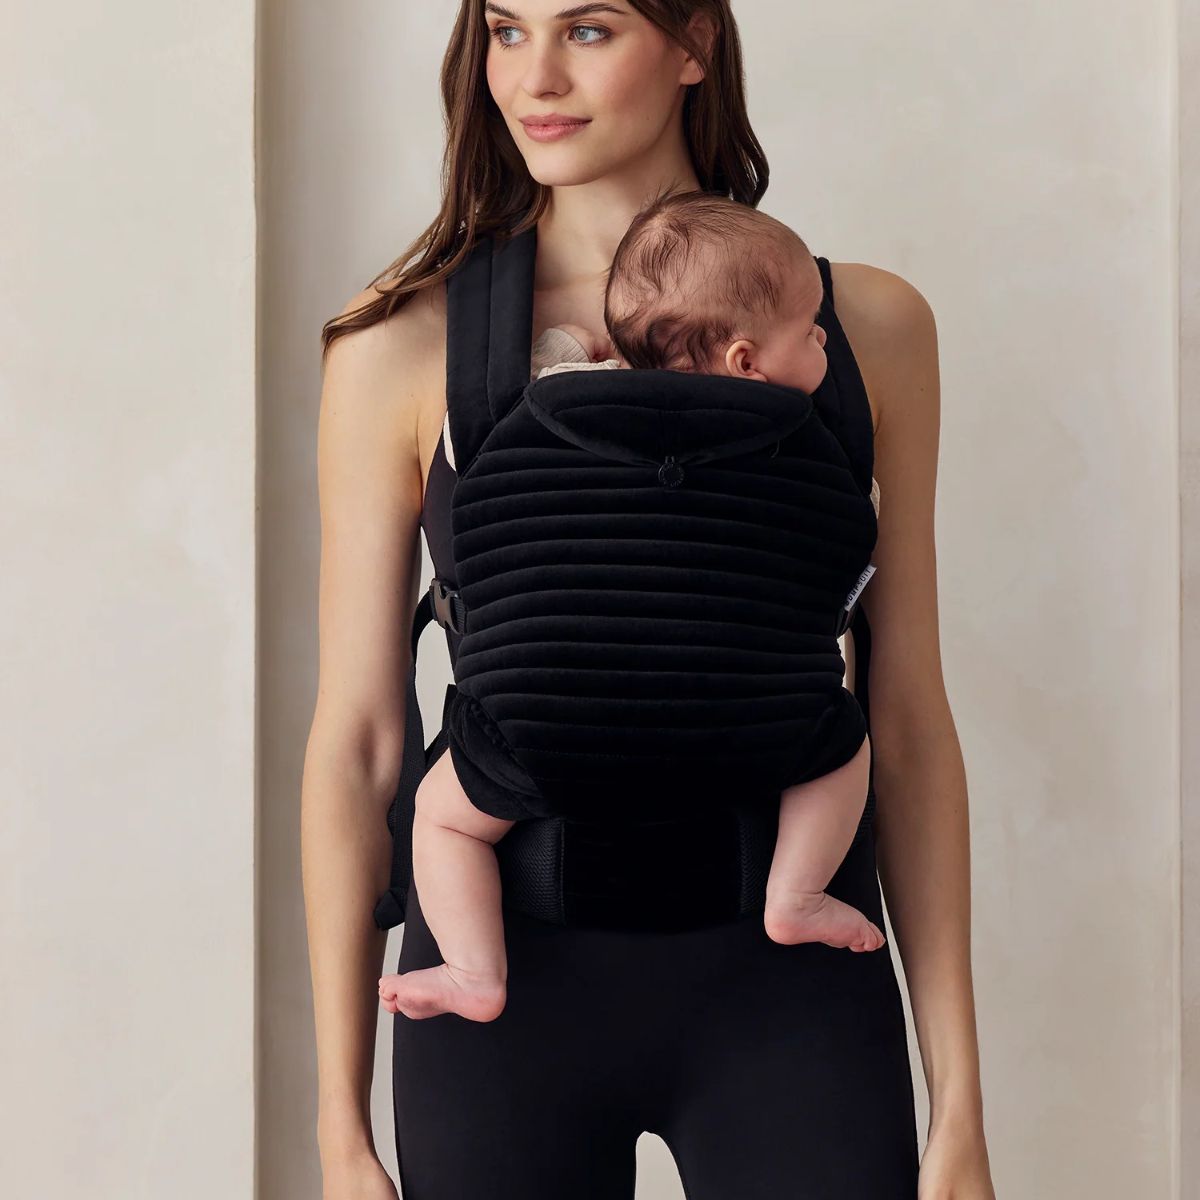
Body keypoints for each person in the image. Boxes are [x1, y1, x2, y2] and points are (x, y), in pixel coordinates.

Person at [303, 2, 996, 1197]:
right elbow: (360, 738)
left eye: (587, 29)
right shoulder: (403, 347)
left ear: (693, 45)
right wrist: (339, 1130)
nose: (532, 77)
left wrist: (961, 1107)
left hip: (788, 984)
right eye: (506, 30)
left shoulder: (867, 330)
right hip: (501, 995)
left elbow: (908, 718)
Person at [377, 198, 886, 1026]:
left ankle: (472, 969)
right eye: (811, 331)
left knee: (445, 822)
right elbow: (849, 547)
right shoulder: (809, 447)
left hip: (541, 733)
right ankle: (797, 893)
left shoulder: (552, 398)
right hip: (753, 732)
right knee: (842, 746)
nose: (826, 341)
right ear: (747, 361)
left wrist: (575, 351)